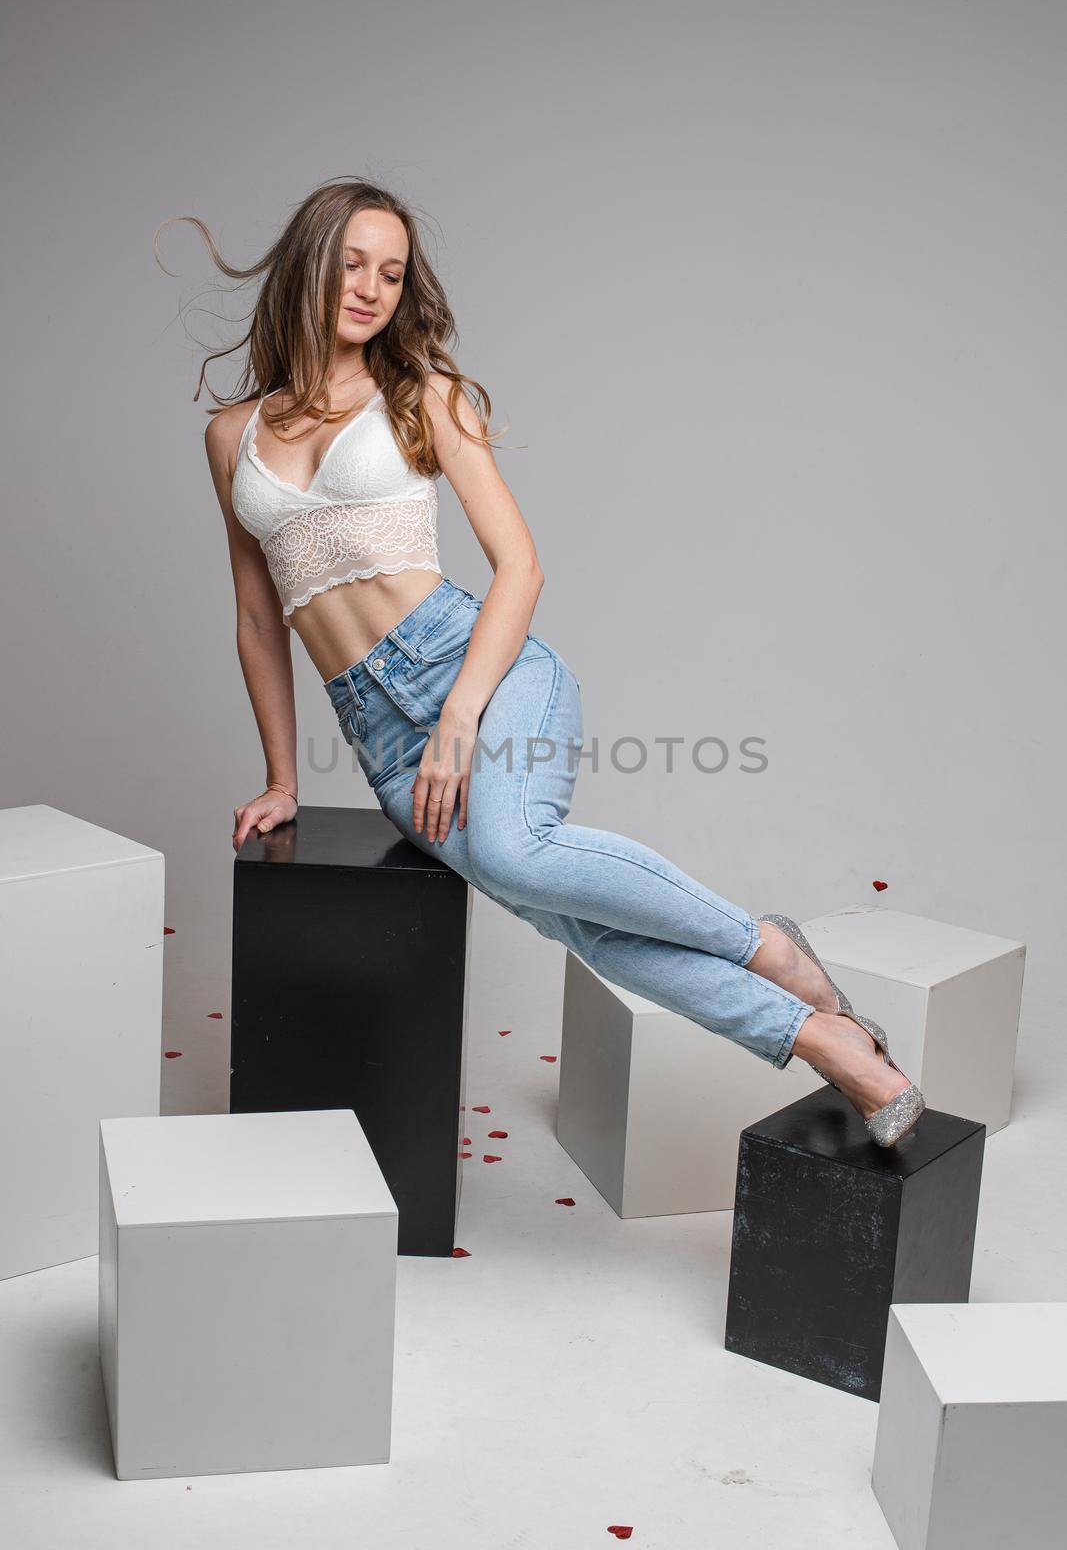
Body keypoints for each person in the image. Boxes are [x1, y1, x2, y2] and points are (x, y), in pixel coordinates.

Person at [165, 177, 924, 1149]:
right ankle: (820, 1038)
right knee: (566, 919)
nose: (369, 288)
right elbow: (258, 620)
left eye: (391, 273)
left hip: (488, 671)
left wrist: (456, 719)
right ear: (308, 261)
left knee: (521, 855)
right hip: (380, 734)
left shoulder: (419, 395)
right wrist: (280, 776)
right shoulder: (231, 436)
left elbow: (519, 567)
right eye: (352, 262)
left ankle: (765, 947)